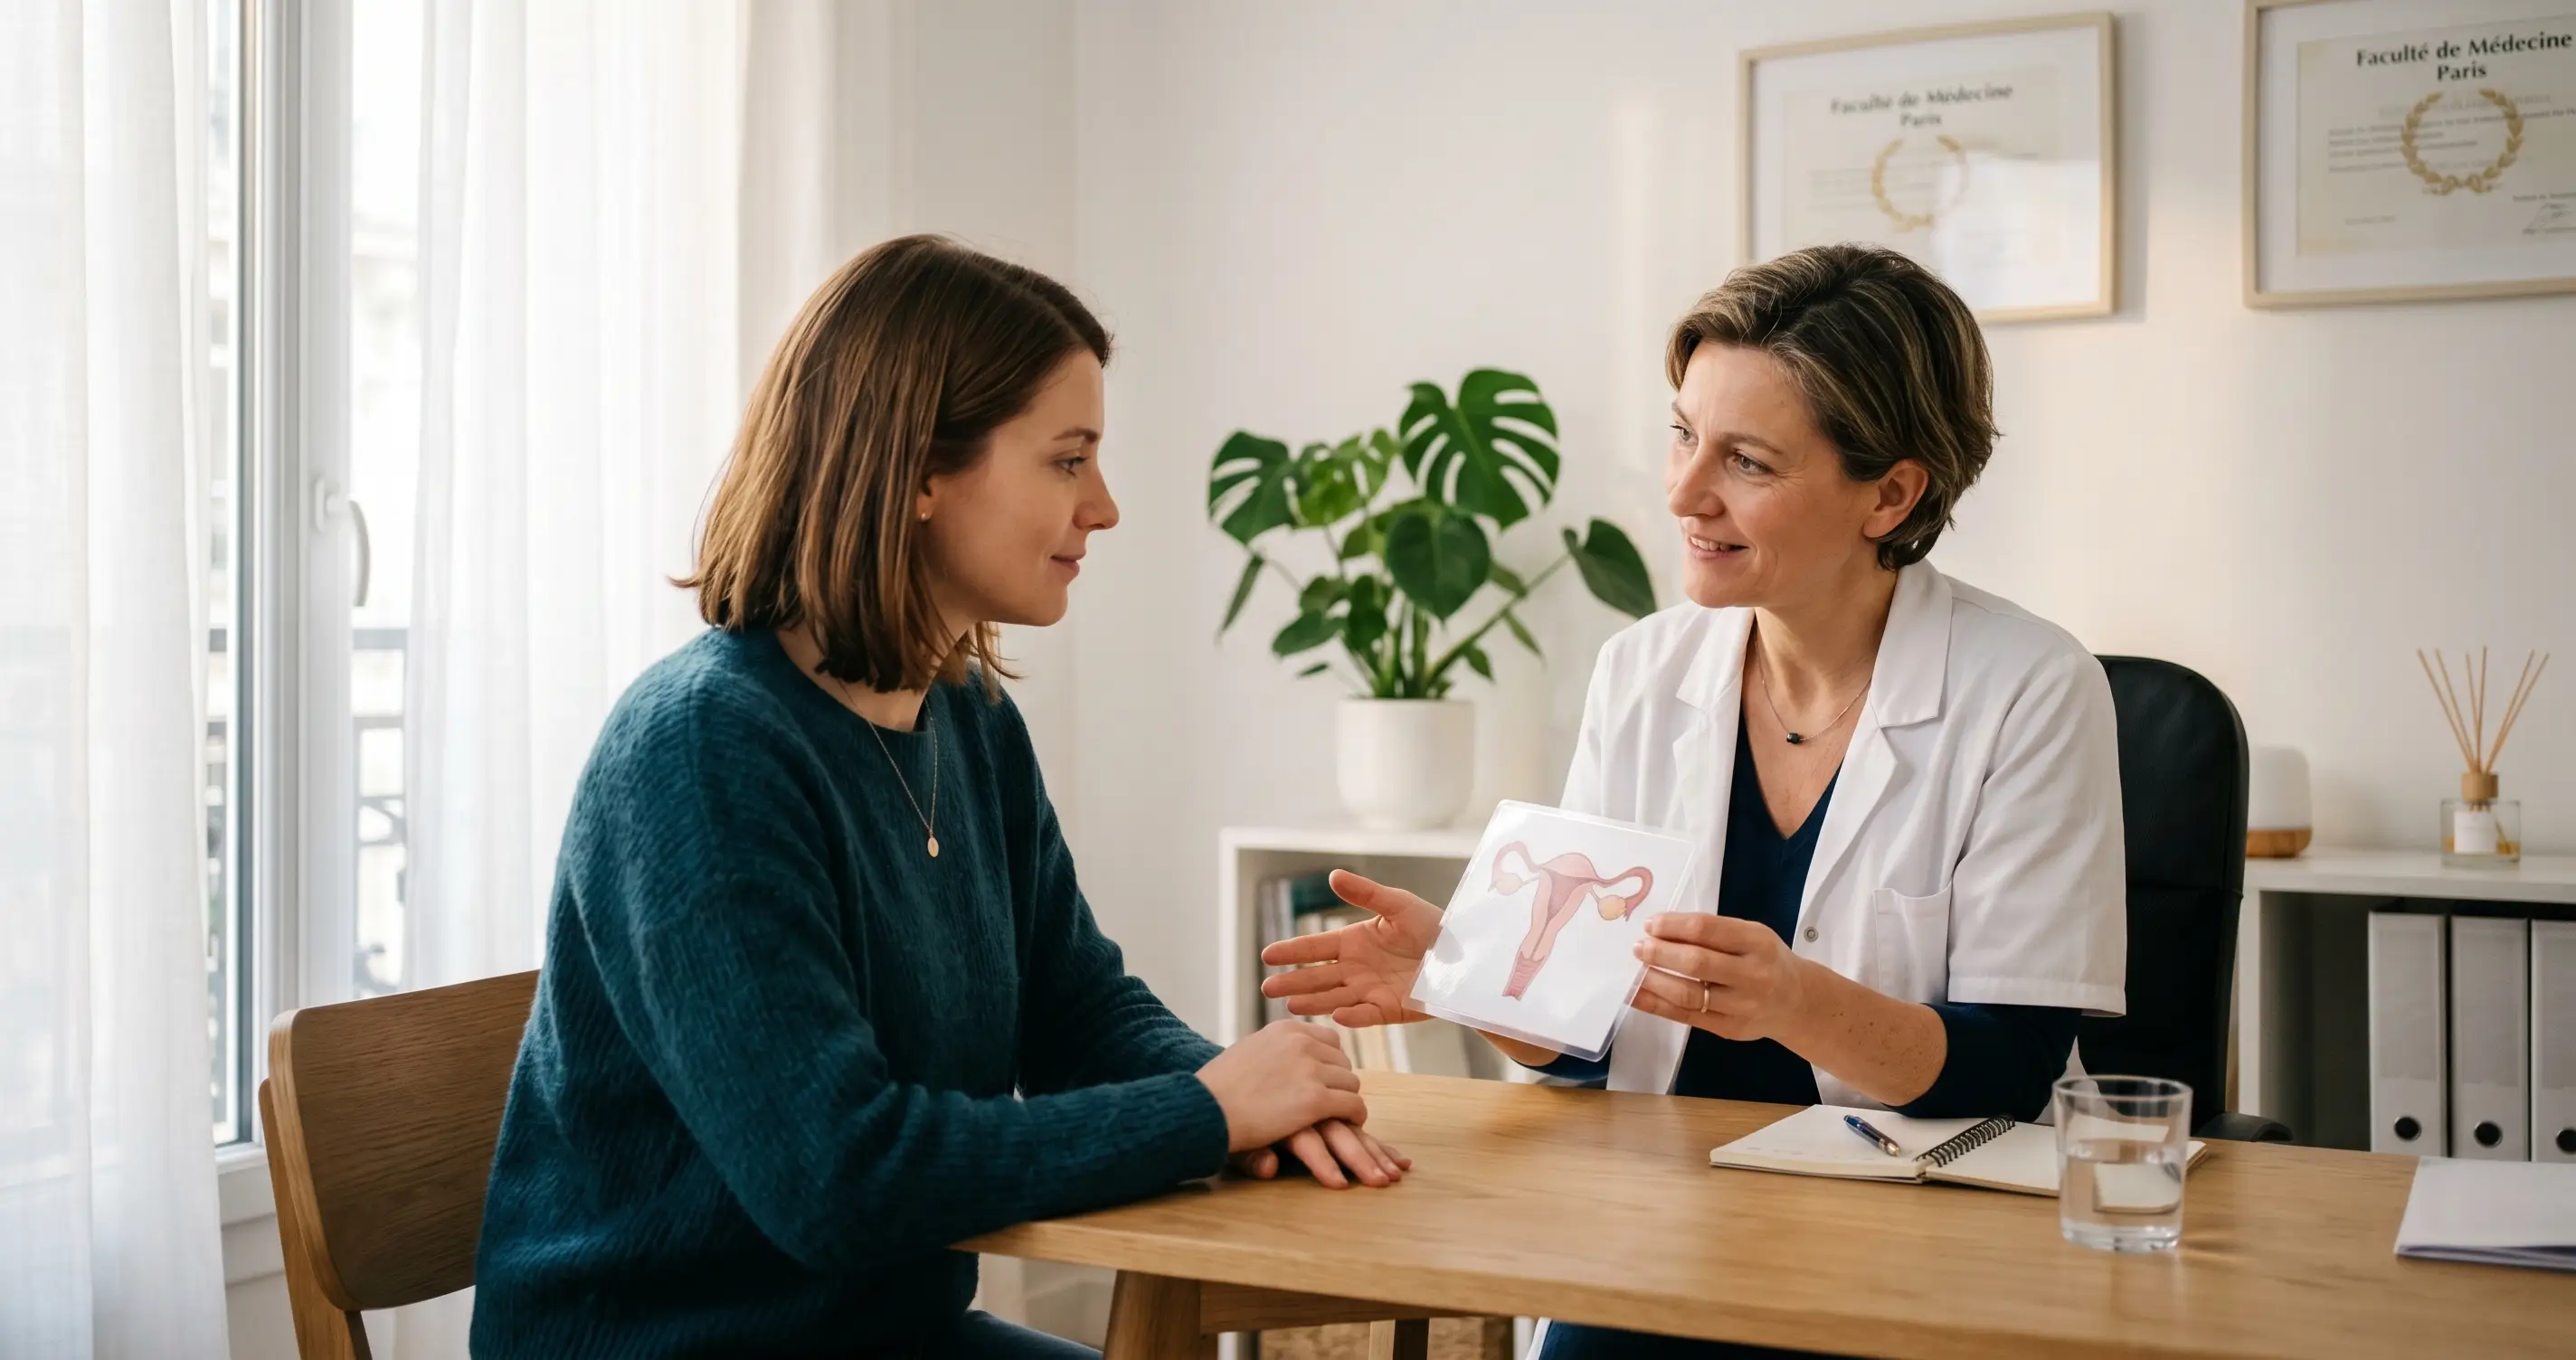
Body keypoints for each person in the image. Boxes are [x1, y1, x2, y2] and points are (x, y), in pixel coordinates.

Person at [470, 235, 1406, 1360]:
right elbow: (836, 1176)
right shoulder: (700, 752)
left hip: (884, 1336)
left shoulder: (964, 715)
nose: (1104, 507)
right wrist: (1207, 1112)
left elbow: (1076, 1011)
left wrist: (1248, 1094)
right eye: (1068, 460)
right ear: (917, 470)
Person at [1264, 243, 2126, 1359]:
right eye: (1683, 434)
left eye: (1747, 462)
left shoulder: (2030, 690)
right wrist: (1478, 977)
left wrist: (1796, 1002)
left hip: (1922, 1233)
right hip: (1659, 1229)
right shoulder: (1643, 671)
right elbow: (1583, 1052)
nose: (1683, 493)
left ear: (1892, 492)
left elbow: (2005, 1071)